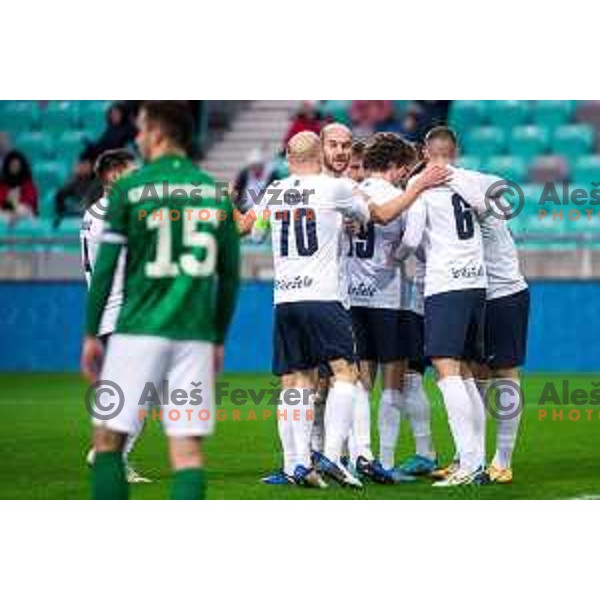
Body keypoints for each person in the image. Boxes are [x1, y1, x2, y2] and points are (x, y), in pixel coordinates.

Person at [81, 101, 240, 500]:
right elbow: (231, 278)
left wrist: (89, 332)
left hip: (137, 327)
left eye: (141, 128)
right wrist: (218, 339)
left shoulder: (130, 189)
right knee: (187, 454)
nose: (137, 137)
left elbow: (104, 270)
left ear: (157, 132)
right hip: (194, 335)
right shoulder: (213, 192)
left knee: (106, 442)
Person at [256, 131, 372, 489]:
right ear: (320, 154)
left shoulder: (274, 190)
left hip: (285, 298)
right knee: (346, 373)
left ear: (289, 157)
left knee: (298, 380)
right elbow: (365, 214)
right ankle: (333, 455)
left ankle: (298, 464)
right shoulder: (333, 188)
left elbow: (257, 233)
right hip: (323, 295)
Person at [391, 126, 491, 487]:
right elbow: (485, 209)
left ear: (423, 151)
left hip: (445, 284)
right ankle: (476, 457)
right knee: (465, 371)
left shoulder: (421, 187)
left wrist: (396, 255)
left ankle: (468, 463)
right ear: (456, 150)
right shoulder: (472, 180)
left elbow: (413, 238)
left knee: (446, 370)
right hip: (477, 283)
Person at [347, 133, 422, 483]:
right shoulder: (403, 197)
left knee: (359, 381)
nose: (405, 175)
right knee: (393, 383)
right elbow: (411, 242)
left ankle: (357, 456)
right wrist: (397, 258)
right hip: (388, 298)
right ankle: (387, 461)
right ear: (395, 166)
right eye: (404, 169)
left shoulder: (351, 192)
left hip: (351, 295)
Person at [80, 148, 152, 484]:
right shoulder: (113, 213)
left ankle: (108, 452)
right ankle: (110, 455)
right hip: (120, 313)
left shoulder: (97, 211)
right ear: (112, 176)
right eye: (131, 171)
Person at [54, 156, 97, 227]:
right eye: (80, 164)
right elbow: (60, 195)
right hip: (72, 218)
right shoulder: (74, 182)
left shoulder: (97, 183)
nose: (82, 167)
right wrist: (74, 177)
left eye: (85, 164)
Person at [0, 150, 38, 224]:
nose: (14, 168)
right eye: (12, 165)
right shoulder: (2, 185)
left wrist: (16, 208)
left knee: (22, 209)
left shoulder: (29, 185)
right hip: (4, 214)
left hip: (25, 215)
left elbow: (29, 203)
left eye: (17, 165)